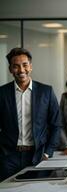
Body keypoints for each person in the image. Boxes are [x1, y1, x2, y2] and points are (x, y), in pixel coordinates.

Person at [0, 47, 61, 181]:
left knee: (36, 191)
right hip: (9, 157)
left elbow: (56, 125)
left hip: (38, 156)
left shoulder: (46, 92)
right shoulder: (2, 93)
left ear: (31, 66)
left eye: (25, 65)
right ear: (10, 69)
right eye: (16, 66)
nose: (21, 70)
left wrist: (47, 152)